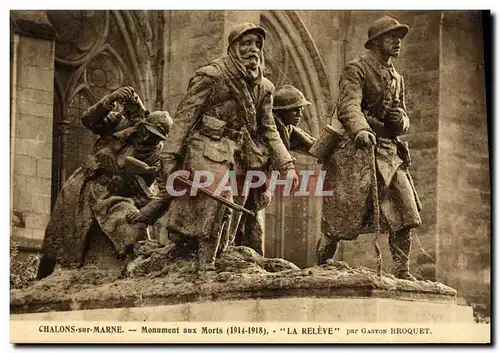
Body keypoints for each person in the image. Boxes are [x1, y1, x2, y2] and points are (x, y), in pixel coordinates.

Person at [160, 22, 299, 270]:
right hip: (207, 147)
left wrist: (287, 165)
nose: (252, 49)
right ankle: (206, 266)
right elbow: (185, 117)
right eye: (246, 44)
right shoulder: (212, 75)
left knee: (234, 211)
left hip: (240, 152)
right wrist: (169, 155)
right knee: (218, 199)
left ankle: (220, 257)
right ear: (234, 47)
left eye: (257, 44)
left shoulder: (264, 87)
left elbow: (269, 129)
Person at [317, 16, 422, 281]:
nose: (397, 42)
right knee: (341, 216)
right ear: (375, 42)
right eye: (391, 37)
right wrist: (361, 129)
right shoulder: (357, 69)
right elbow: (348, 105)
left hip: (388, 152)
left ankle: (402, 270)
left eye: (399, 37)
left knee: (405, 209)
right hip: (356, 151)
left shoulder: (397, 76)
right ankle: (322, 263)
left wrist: (402, 121)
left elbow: (404, 114)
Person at [37, 87, 172, 279]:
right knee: (60, 240)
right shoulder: (121, 124)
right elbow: (89, 120)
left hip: (116, 198)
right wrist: (110, 99)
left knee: (133, 230)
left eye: (154, 137)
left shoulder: (157, 156)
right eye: (146, 131)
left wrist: (144, 213)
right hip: (83, 187)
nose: (147, 137)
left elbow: (160, 193)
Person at [234, 85, 317, 254]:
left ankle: (251, 255)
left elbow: (313, 145)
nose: (299, 114)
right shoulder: (269, 129)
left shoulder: (288, 129)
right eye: (294, 111)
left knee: (252, 217)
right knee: (243, 217)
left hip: (261, 181)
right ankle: (242, 252)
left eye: (300, 110)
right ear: (280, 112)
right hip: (249, 178)